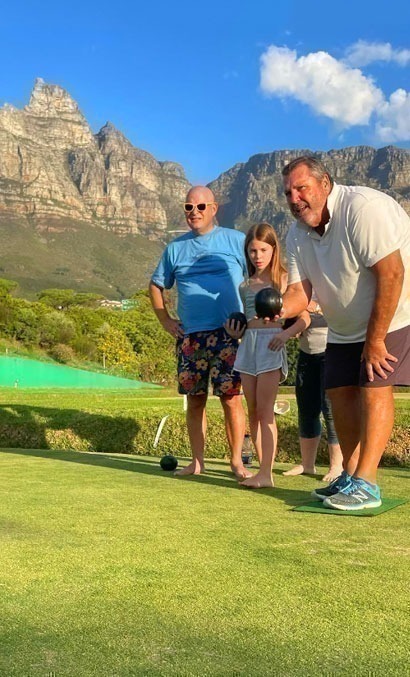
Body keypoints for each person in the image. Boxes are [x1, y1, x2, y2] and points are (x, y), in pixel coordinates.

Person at [280, 155, 410, 510]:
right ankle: (351, 476)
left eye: (301, 188)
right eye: (288, 193)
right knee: (339, 393)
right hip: (343, 326)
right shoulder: (297, 234)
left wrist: (376, 340)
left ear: (325, 183)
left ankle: (367, 484)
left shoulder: (362, 209)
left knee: (374, 387)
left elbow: (392, 274)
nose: (294, 199)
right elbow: (299, 293)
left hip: (395, 312)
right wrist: (276, 309)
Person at [149, 185, 252, 479]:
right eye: (189, 207)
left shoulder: (236, 241)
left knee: (231, 398)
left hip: (229, 334)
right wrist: (165, 320)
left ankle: (237, 462)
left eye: (201, 207)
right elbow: (156, 285)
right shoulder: (174, 249)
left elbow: (261, 277)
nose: (194, 212)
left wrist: (253, 320)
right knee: (195, 400)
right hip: (191, 337)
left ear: (214, 209)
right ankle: (197, 462)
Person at [225, 222, 301, 488]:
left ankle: (267, 473)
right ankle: (261, 471)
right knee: (254, 410)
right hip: (248, 346)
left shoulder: (284, 280)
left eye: (263, 250)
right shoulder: (245, 286)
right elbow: (247, 323)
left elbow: (303, 318)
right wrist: (234, 332)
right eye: (252, 250)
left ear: (274, 249)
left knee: (266, 410)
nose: (257, 256)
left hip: (272, 345)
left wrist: (285, 335)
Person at [269, 296, 343, 481]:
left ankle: (336, 466)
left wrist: (315, 307)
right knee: (306, 409)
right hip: (306, 355)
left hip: (331, 354)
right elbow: (292, 321)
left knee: (330, 410)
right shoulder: (300, 293)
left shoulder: (330, 289)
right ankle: (307, 465)